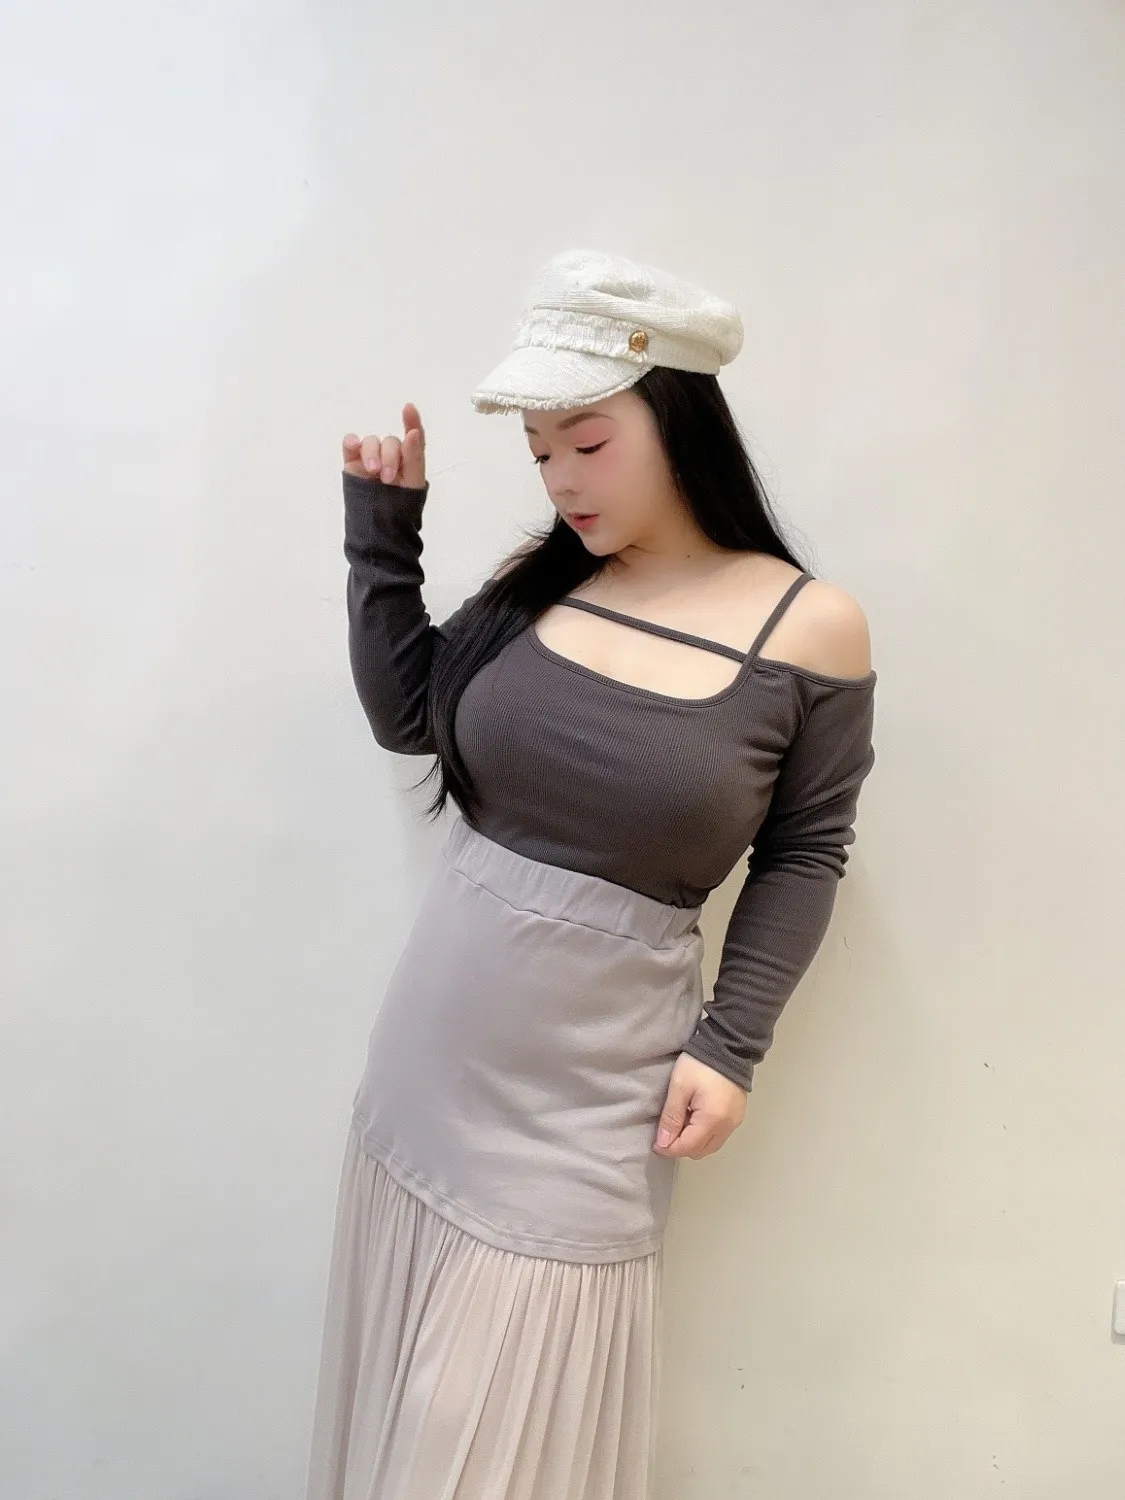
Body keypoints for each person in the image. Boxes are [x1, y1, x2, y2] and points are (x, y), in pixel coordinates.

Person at [304, 248, 877, 1500]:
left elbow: (805, 848)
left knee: (478, 1448)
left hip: (591, 1103)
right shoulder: (546, 581)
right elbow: (411, 716)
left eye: (589, 442)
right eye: (539, 452)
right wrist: (381, 538)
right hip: (428, 1061)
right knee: (405, 1423)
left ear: (678, 420)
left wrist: (732, 1047)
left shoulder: (807, 627)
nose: (561, 478)